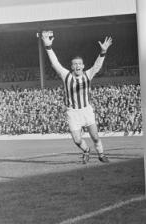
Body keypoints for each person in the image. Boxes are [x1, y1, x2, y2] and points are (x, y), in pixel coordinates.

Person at [41, 31, 112, 164]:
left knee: (95, 136)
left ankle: (101, 155)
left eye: (80, 64)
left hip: (86, 110)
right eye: (75, 64)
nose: (77, 66)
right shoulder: (66, 75)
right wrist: (48, 47)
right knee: (77, 140)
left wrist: (103, 52)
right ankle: (86, 151)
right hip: (72, 112)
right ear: (71, 66)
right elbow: (55, 63)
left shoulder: (88, 75)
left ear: (83, 66)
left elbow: (97, 66)